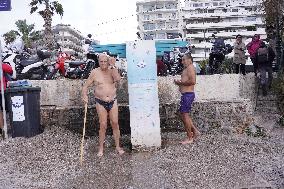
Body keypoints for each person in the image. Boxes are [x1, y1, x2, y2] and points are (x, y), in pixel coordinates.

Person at [82, 54, 124, 157]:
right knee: (103, 124)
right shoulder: (94, 72)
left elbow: (118, 80)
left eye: (105, 61)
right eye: (101, 61)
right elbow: (85, 86)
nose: (103, 64)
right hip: (100, 102)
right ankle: (101, 148)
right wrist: (84, 95)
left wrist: (113, 66)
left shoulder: (112, 70)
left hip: (112, 100)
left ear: (108, 61)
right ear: (98, 61)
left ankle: (118, 146)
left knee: (115, 123)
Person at [174, 53, 200, 144]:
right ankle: (195, 132)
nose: (182, 61)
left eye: (184, 59)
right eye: (182, 60)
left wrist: (180, 83)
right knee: (184, 115)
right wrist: (179, 82)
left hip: (188, 94)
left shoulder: (190, 67)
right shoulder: (187, 68)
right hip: (186, 95)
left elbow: (192, 81)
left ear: (189, 59)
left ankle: (190, 138)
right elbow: (187, 80)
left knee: (185, 115)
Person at [0, 63, 13, 138]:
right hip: (2, 90)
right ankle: (4, 130)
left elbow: (9, 69)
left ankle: (3, 131)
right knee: (4, 109)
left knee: (2, 110)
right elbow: (10, 70)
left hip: (2, 90)